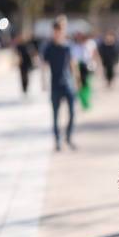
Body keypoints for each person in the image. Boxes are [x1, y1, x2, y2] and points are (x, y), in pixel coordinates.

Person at [41, 18, 78, 151]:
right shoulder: (48, 47)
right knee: (55, 115)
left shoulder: (68, 46)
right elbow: (44, 65)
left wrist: (76, 81)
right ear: (53, 31)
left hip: (68, 84)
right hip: (55, 85)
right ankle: (57, 141)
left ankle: (68, 138)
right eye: (56, 31)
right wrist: (43, 82)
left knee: (72, 113)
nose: (58, 33)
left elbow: (73, 65)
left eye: (60, 31)